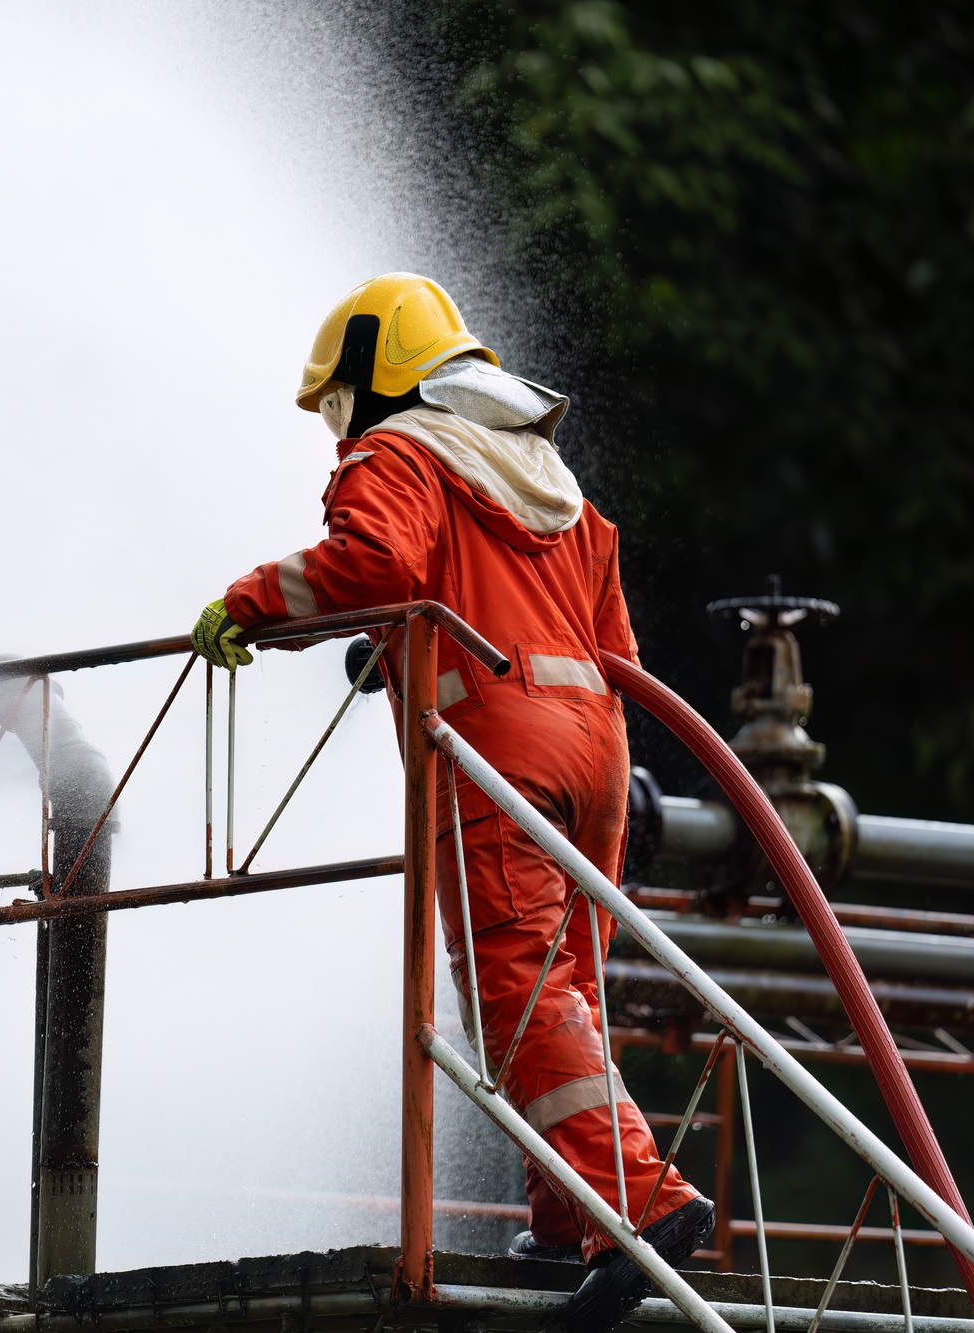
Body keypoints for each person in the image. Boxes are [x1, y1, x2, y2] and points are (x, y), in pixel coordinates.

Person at [189, 274, 713, 1332]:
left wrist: (243, 605)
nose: (335, 429)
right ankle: (566, 1222)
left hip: (493, 753)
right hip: (598, 756)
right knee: (558, 986)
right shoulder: (544, 475)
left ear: (373, 378)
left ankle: (645, 1201)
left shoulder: (398, 452)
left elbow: (374, 556)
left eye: (336, 402)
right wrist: (393, 646)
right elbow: (593, 638)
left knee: (513, 989)